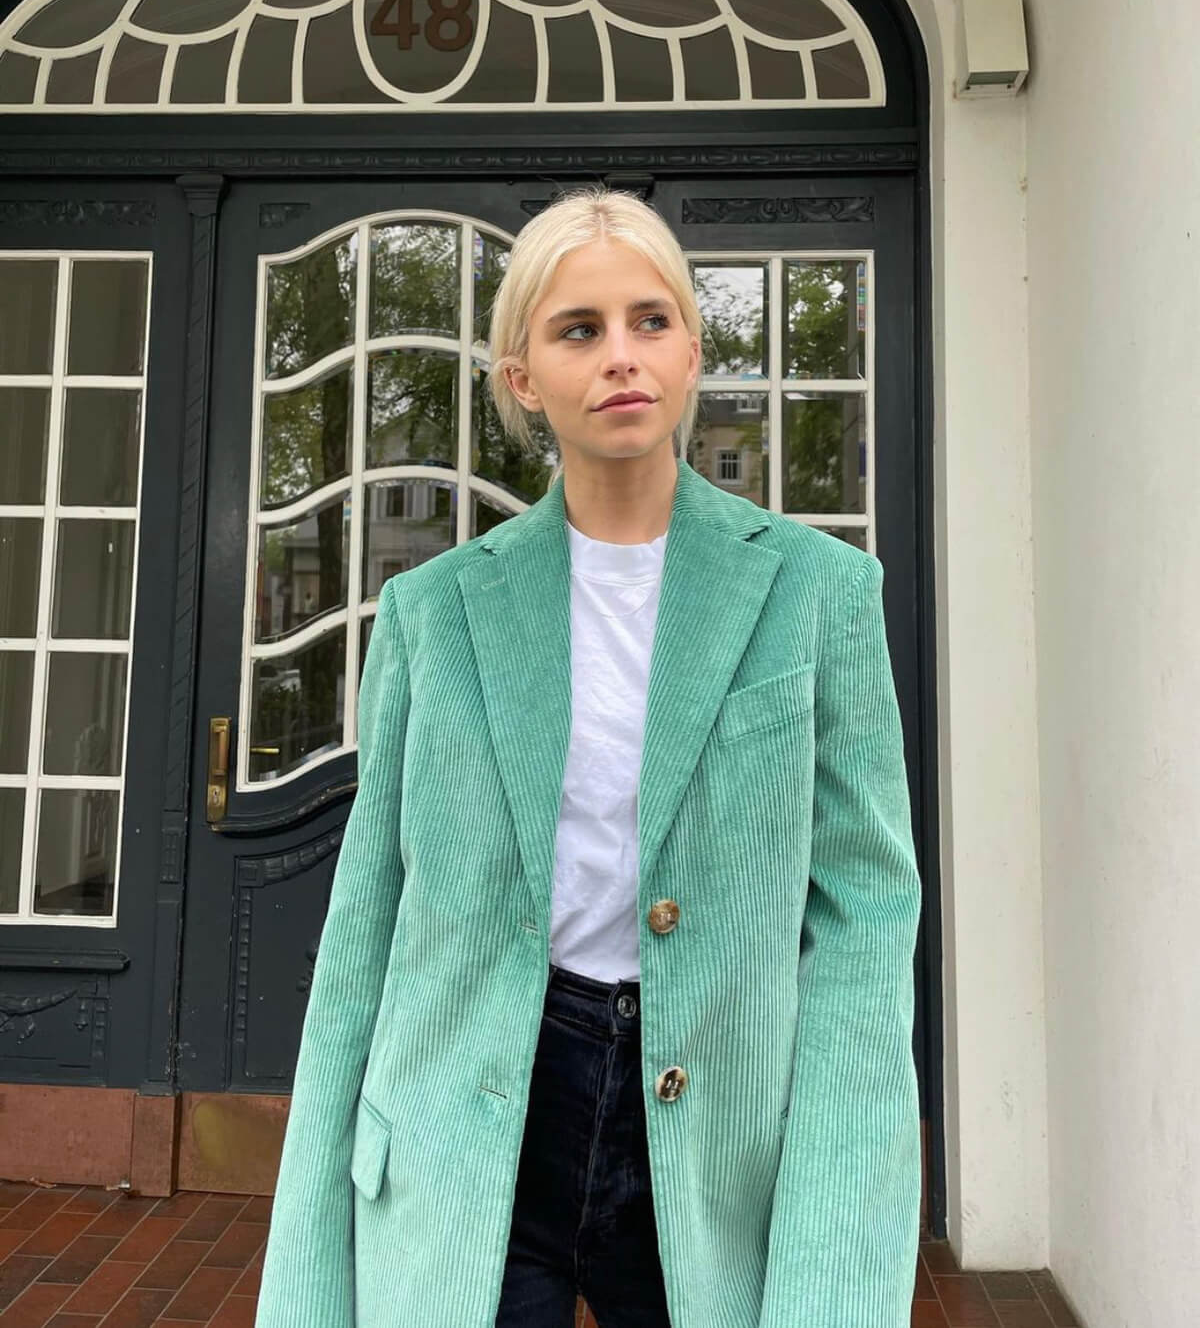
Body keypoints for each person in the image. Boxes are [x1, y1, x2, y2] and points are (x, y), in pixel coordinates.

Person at [253, 185, 923, 1328]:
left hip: (715, 1140)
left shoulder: (821, 597)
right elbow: (368, 929)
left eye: (651, 320)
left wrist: (836, 1264)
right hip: (476, 1122)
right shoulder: (433, 615)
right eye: (580, 329)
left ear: (691, 351)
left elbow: (863, 930)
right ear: (523, 378)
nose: (622, 354)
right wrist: (307, 1276)